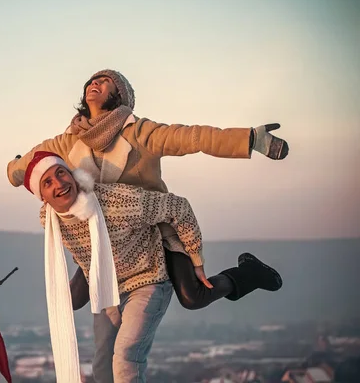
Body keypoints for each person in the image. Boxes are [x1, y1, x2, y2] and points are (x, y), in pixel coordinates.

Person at [6, 69, 290, 311]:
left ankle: (248, 273)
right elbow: (32, 162)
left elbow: (194, 137)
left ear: (120, 95)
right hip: (106, 235)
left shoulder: (140, 133)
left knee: (193, 297)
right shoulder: (69, 140)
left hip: (154, 227)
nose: (95, 83)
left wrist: (251, 139)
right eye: (92, 81)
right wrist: (14, 171)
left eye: (105, 81)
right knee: (71, 300)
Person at [23, 151, 281, 383]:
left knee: (126, 357)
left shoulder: (116, 203)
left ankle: (247, 274)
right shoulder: (50, 221)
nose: (59, 183)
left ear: (72, 174)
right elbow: (83, 251)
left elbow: (178, 207)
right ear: (42, 197)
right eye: (48, 182)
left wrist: (195, 257)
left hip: (147, 279)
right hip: (108, 287)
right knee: (102, 367)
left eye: (61, 173)